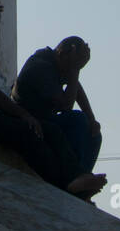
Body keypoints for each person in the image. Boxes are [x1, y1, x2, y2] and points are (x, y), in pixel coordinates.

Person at [0, 4, 106, 199]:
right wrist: (23, 115)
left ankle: (77, 177)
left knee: (52, 130)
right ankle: (65, 185)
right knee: (29, 132)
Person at [12, 36, 103, 173]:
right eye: (72, 66)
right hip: (29, 120)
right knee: (77, 120)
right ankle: (74, 174)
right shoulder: (41, 66)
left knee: (93, 133)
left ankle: (83, 175)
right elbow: (66, 107)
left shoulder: (57, 62)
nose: (69, 73)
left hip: (46, 119)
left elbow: (76, 87)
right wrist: (74, 70)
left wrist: (91, 118)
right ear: (61, 54)